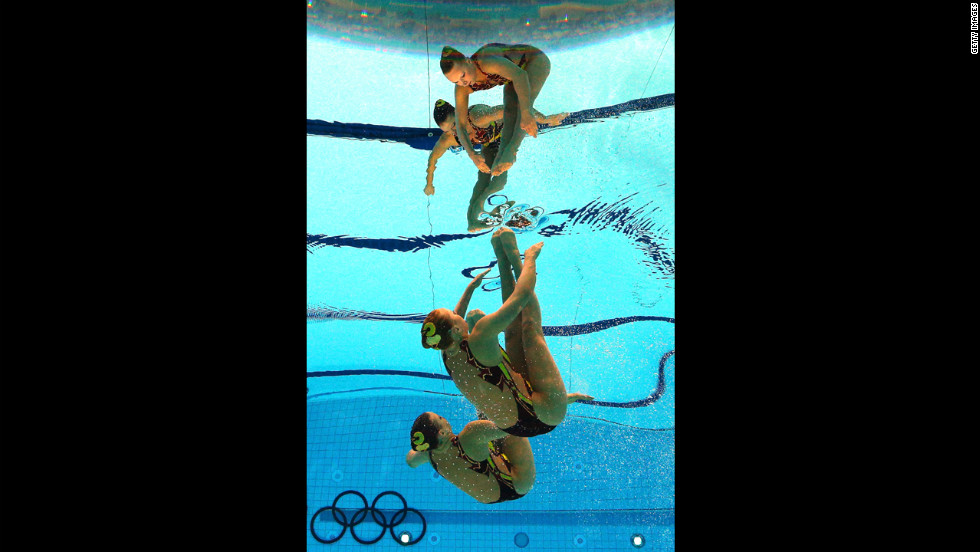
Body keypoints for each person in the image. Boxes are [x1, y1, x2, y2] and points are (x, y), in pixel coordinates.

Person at [420, 228, 593, 437]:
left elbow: (454, 318)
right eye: (455, 315)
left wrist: (471, 288)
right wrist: (529, 258)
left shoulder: (446, 350)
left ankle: (501, 257)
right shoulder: (479, 335)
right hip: (546, 411)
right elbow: (522, 295)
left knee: (511, 333)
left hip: (513, 427)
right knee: (530, 330)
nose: (460, 314)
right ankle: (511, 253)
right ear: (456, 329)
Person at [425, 99, 567, 232]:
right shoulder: (450, 137)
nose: (455, 132)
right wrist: (429, 183)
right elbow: (433, 159)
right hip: (489, 144)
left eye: (455, 125)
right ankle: (472, 221)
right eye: (450, 130)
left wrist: (544, 119)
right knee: (483, 180)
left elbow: (515, 109)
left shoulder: (477, 117)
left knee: (499, 181)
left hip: (506, 134)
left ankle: (479, 207)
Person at [440, 43, 553, 177]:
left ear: (468, 61)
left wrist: (527, 112)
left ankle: (511, 151)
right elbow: (461, 125)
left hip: (533, 61)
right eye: (456, 81)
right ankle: (502, 156)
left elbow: (520, 75)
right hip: (513, 74)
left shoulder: (486, 62)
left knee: (520, 108)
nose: (462, 83)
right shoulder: (462, 88)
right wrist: (472, 154)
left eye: (463, 75)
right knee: (509, 112)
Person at [406, 412, 535, 504]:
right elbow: (516, 428)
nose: (444, 418)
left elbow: (410, 461)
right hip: (519, 482)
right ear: (442, 433)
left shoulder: (428, 454)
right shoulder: (471, 434)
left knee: (487, 420)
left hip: (491, 497)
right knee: (505, 415)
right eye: (440, 418)